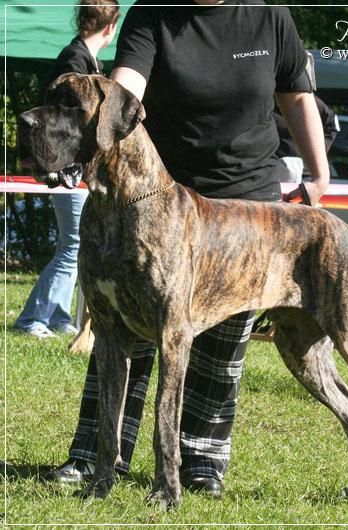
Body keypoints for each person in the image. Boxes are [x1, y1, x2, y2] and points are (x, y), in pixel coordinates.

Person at [49, 0, 330, 496]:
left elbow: (297, 97)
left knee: (221, 346)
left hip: (246, 201)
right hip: (163, 195)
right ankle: (96, 455)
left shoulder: (270, 16)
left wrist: (319, 172)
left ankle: (201, 463)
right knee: (124, 330)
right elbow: (125, 90)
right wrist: (85, 136)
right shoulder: (154, 14)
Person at [14, 0, 119, 339]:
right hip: (64, 166)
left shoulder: (83, 60)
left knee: (73, 244)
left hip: (74, 168)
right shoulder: (75, 62)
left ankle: (58, 314)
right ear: (110, 27)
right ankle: (32, 318)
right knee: (72, 244)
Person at [273, 94, 339, 182]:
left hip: (306, 175)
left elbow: (331, 124)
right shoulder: (265, 102)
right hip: (272, 172)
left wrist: (316, 152)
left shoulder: (305, 99)